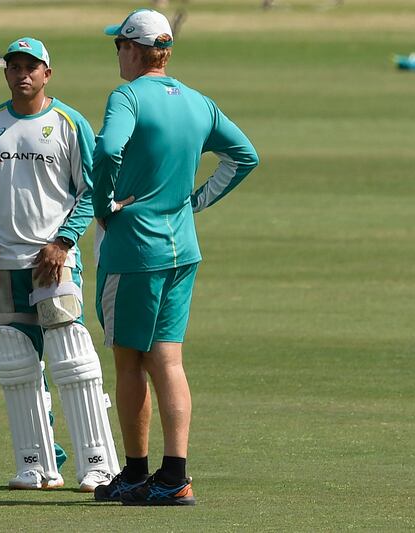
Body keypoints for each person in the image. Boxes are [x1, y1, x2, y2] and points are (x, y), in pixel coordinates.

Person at [92, 9, 259, 506]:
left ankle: (137, 472)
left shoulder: (126, 97)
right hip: (182, 249)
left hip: (133, 250)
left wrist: (103, 206)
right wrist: (196, 201)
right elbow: (244, 155)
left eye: (118, 45)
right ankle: (175, 475)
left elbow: (106, 150)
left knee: (127, 362)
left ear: (131, 48)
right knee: (168, 360)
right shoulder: (196, 101)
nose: (116, 53)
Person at [0, 37, 120, 492]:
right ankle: (36, 462)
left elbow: (92, 191)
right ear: (6, 73)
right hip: (2, 261)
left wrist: (65, 241)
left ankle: (98, 464)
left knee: (72, 357)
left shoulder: (68, 122)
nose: (22, 74)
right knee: (15, 363)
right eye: (14, 66)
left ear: (47, 73)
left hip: (54, 260)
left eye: (32, 67)